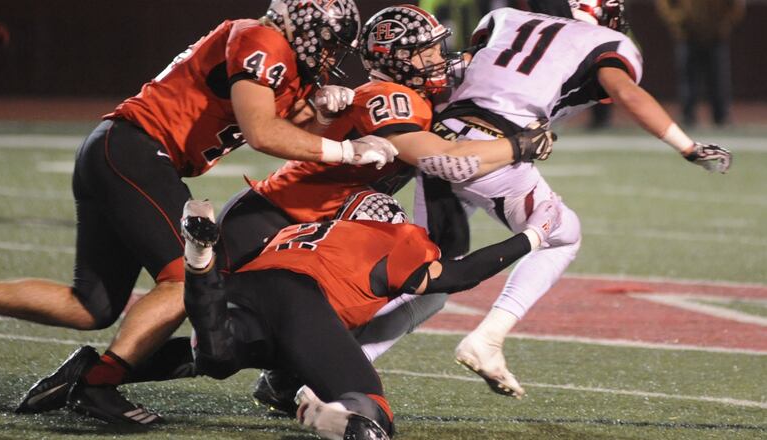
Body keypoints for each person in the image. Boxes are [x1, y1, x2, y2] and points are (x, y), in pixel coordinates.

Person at [9, 4, 557, 423]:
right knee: (211, 316)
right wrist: (519, 147)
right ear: (398, 61)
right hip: (272, 217)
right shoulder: (393, 98)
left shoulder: (396, 96)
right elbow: (435, 157)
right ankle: (103, 376)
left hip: (296, 219)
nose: (440, 60)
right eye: (428, 53)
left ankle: (111, 371)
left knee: (231, 332)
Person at [0, 0, 403, 424]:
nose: (329, 56)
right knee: (187, 278)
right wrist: (344, 150)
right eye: (328, 43)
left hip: (120, 151)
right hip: (136, 150)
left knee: (89, 306)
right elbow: (262, 132)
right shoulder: (262, 38)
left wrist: (322, 115)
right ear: (304, 26)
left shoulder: (282, 59)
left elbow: (293, 133)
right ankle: (96, 384)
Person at [351, 0, 733, 399]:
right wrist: (688, 147)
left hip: (442, 139)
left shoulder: (504, 19)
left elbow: (461, 69)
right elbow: (627, 94)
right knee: (564, 235)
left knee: (431, 273)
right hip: (496, 148)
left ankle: (344, 363)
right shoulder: (604, 41)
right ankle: (488, 339)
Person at [167, 193, 560, 439]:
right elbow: (463, 274)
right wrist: (533, 236)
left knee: (215, 357)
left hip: (246, 288)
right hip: (302, 305)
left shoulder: (303, 231)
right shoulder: (392, 237)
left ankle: (200, 265)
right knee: (373, 408)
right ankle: (342, 416)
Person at [656, 0, 745, 127]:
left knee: (718, 78)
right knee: (688, 79)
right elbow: (665, 5)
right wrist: (678, 20)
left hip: (715, 35)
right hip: (688, 35)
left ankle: (721, 116)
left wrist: (724, 24)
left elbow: (736, 6)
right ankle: (688, 116)